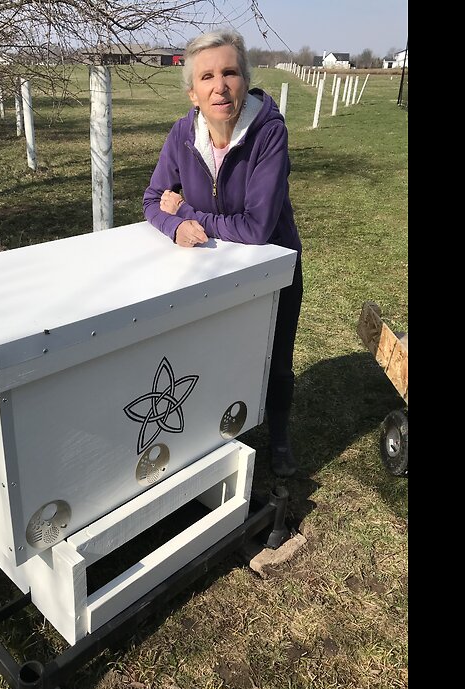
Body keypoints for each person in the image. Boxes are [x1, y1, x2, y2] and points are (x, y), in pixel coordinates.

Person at [142, 28, 304, 478]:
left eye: (230, 72)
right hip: (210, 271)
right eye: (207, 77)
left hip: (274, 268)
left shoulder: (268, 133)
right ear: (192, 92)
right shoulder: (181, 135)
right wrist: (174, 226)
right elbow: (153, 198)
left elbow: (256, 227)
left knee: (276, 359)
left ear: (245, 80)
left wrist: (190, 212)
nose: (220, 86)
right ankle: (217, 438)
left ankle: (279, 439)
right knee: (216, 355)